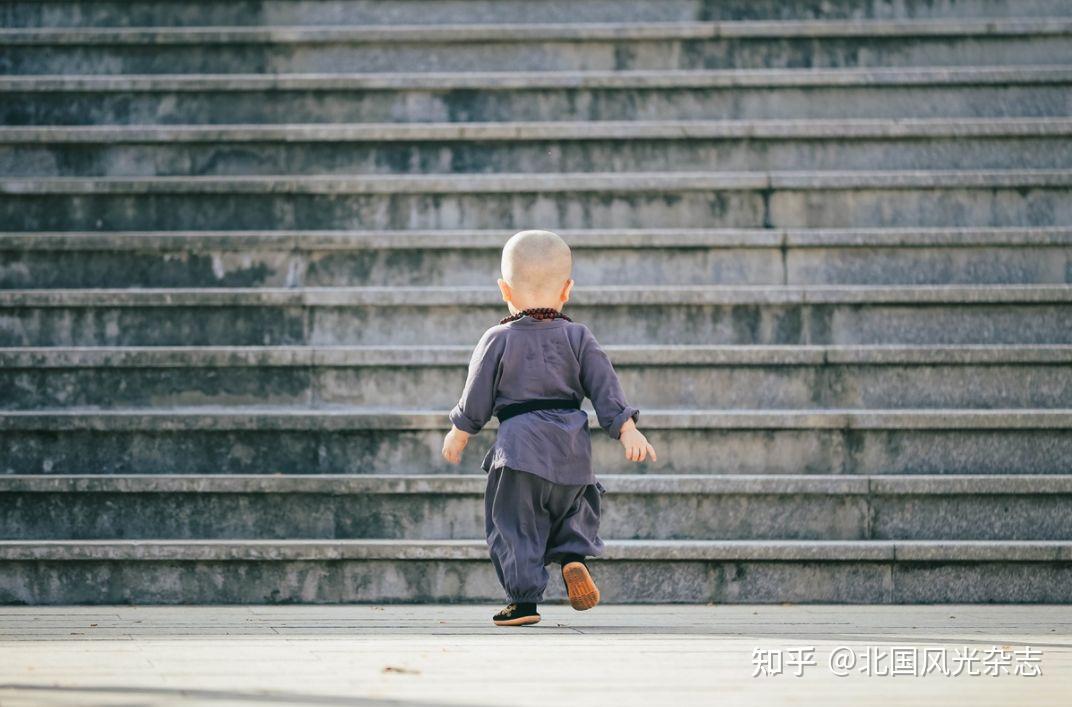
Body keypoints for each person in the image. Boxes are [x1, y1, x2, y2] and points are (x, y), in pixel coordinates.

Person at [441, 229, 657, 626]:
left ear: (504, 289)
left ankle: (523, 602)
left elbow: (476, 398)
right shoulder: (578, 336)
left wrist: (460, 431)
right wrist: (627, 429)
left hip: (519, 451)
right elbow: (605, 387)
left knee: (514, 524)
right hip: (572, 449)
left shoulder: (497, 338)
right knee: (572, 508)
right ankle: (573, 556)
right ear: (567, 289)